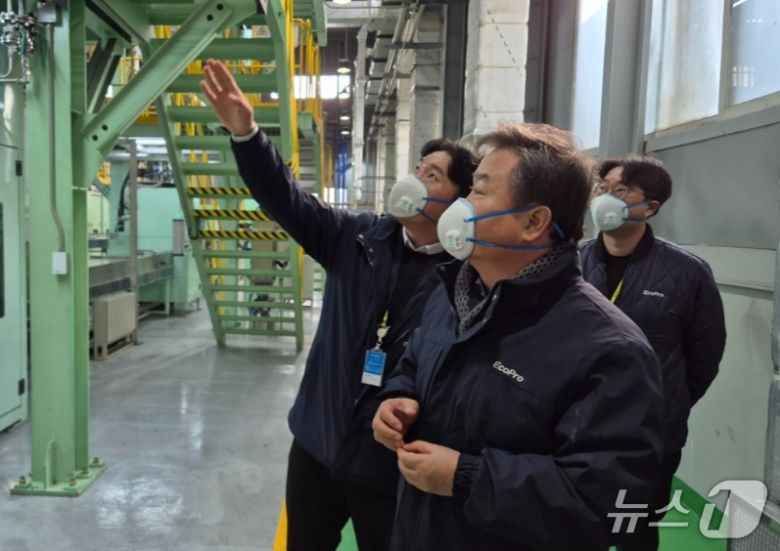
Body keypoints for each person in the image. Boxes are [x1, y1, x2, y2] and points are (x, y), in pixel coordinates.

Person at [200, 59, 479, 551]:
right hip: (317, 443)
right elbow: (287, 200)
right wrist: (247, 136)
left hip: (391, 463)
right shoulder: (357, 237)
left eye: (432, 176)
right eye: (417, 170)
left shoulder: (467, 277)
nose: (415, 181)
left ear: (458, 201)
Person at [372, 122, 665, 551]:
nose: (463, 203)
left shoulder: (609, 349)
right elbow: (415, 360)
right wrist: (398, 397)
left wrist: (467, 477)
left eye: (480, 191)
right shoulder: (452, 293)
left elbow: (604, 501)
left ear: (533, 222)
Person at [581, 154, 727, 551]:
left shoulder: (687, 272)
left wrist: (668, 403)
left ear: (651, 207)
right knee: (577, 524)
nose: (605, 198)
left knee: (635, 529)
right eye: (602, 189)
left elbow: (704, 353)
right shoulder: (572, 263)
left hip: (650, 434)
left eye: (621, 190)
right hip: (578, 426)